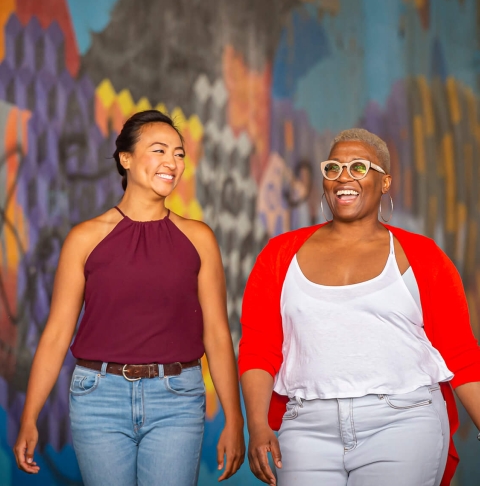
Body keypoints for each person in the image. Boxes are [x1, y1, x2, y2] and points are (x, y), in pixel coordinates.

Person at [14, 109, 245, 485]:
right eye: (159, 150)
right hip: (97, 398)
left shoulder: (200, 238)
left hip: (177, 399)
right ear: (126, 158)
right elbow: (57, 334)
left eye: (179, 153)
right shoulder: (84, 239)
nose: (172, 162)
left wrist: (234, 419)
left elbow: (217, 334)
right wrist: (29, 417)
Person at [239, 128, 480, 486]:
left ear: (385, 183)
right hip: (306, 427)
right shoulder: (279, 256)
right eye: (333, 168)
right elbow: (259, 348)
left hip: (403, 421)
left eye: (358, 167)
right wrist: (258, 426)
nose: (343, 177)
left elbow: (460, 354)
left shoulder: (423, 256)